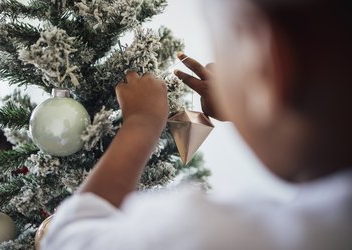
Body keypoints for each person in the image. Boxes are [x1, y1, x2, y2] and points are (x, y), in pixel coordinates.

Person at [42, 0, 352, 249]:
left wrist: (141, 123)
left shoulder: (202, 235)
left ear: (265, 63)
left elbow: (69, 235)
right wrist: (246, 104)